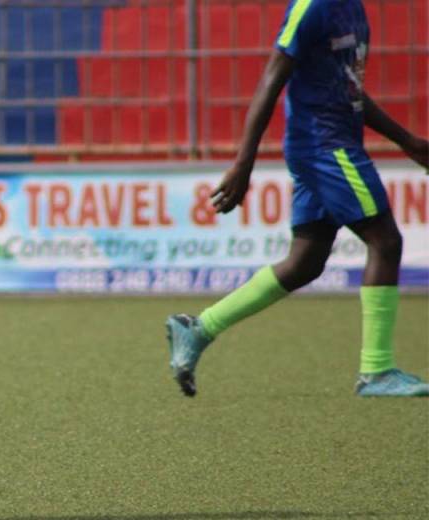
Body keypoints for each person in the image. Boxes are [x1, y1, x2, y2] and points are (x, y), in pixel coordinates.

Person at [166, 0, 429, 398]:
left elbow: (349, 91)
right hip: (325, 148)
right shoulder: (312, 7)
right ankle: (376, 371)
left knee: (304, 262)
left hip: (331, 144)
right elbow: (272, 78)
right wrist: (244, 163)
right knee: (386, 241)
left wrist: (407, 141)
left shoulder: (354, 9)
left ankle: (198, 329)